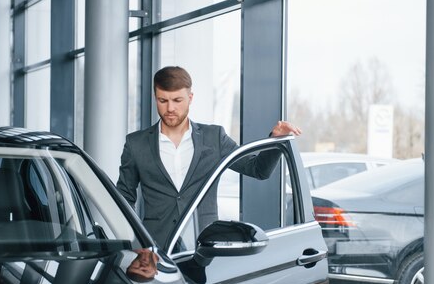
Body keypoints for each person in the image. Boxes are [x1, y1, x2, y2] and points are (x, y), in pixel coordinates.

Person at [117, 66, 301, 248]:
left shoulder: (214, 138)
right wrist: (134, 241)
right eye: (163, 100)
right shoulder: (136, 144)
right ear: (155, 98)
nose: (170, 108)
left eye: (177, 100)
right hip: (155, 250)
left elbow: (258, 170)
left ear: (190, 98)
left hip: (204, 248)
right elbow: (124, 198)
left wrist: (275, 141)